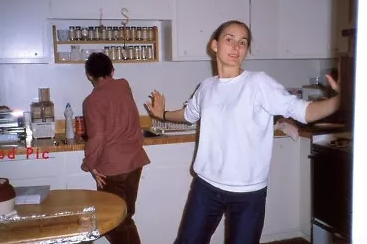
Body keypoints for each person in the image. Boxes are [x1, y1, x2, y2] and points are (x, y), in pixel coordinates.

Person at [145, 20, 340, 244]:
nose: (236, 47)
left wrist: (340, 101)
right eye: (229, 40)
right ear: (214, 45)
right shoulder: (206, 87)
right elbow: (189, 114)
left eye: (243, 42)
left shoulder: (259, 84)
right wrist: (162, 115)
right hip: (206, 187)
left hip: (249, 193)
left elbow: (302, 111)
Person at [81, 52, 150, 244]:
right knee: (125, 216)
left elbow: (98, 137)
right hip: (135, 162)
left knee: (113, 221)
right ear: (112, 71)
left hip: (112, 168)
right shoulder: (124, 85)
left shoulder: (92, 101)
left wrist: (90, 165)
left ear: (89, 75)